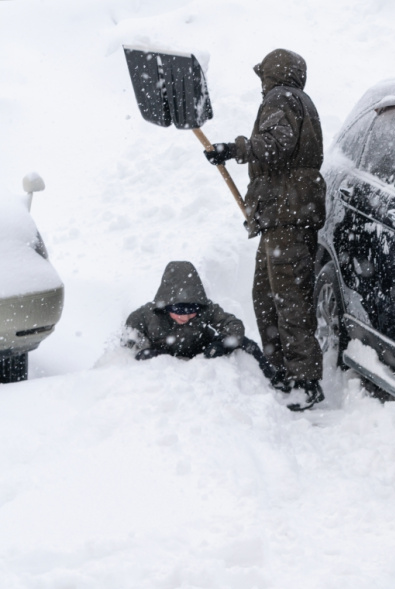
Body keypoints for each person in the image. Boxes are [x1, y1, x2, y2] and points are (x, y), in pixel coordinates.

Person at [203, 48, 326, 411]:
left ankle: (304, 381)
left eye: (263, 77)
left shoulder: (281, 97)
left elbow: (276, 145)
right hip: (283, 217)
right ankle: (280, 370)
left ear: (273, 75)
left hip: (286, 217)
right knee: (267, 295)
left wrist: (234, 148)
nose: (261, 85)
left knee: (288, 300)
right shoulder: (299, 99)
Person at [122, 261, 286, 393]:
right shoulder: (147, 315)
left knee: (247, 343)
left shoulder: (206, 309)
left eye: (191, 311)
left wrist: (222, 344)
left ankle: (272, 379)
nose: (184, 317)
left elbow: (234, 325)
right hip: (164, 352)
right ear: (165, 305)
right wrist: (143, 349)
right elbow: (127, 341)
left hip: (200, 347)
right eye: (178, 311)